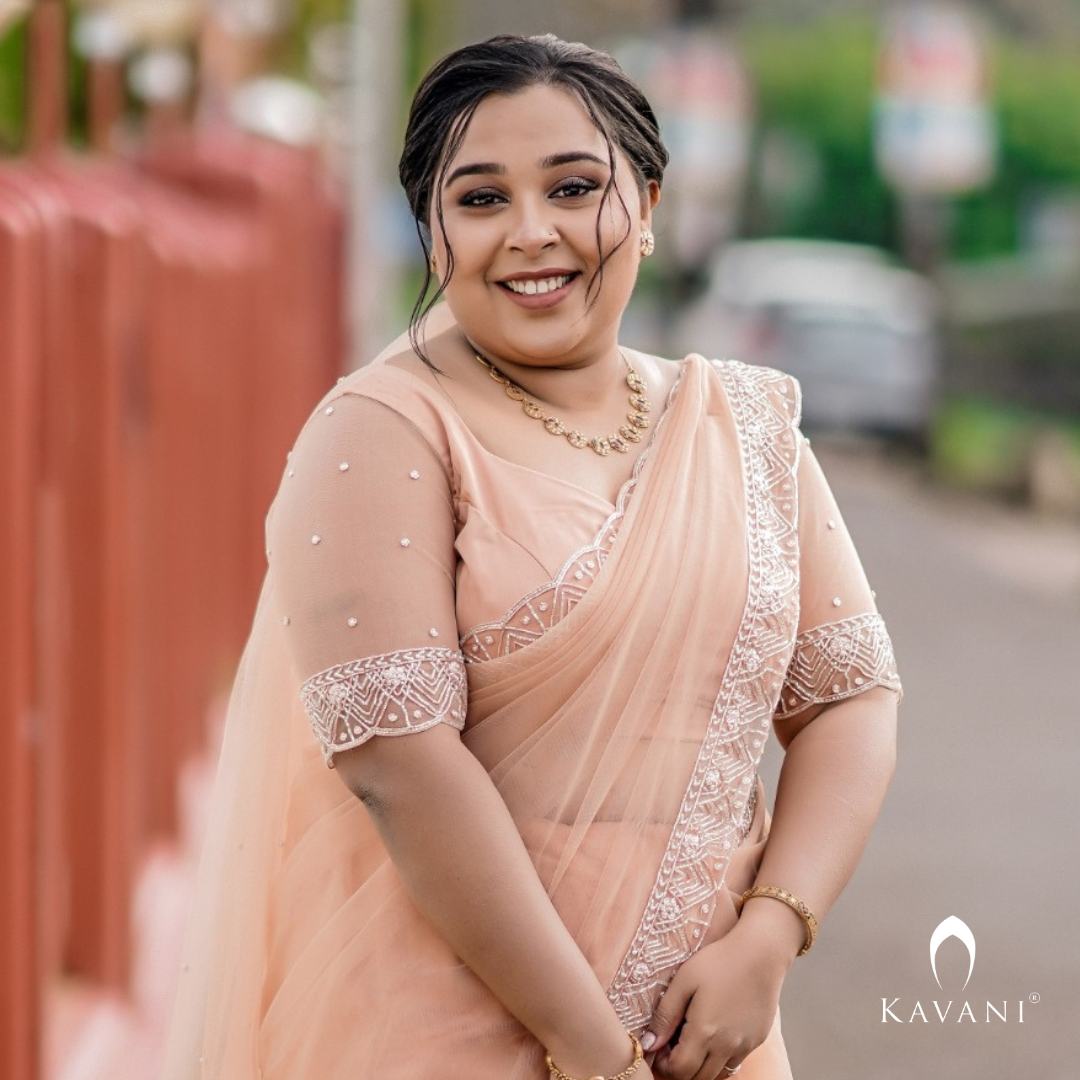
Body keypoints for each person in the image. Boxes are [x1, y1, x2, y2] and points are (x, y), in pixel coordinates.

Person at [162, 33, 901, 1080]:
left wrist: (771, 937)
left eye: (573, 186)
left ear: (645, 206)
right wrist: (588, 1045)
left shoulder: (745, 425)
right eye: (479, 199)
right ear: (431, 235)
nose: (531, 233)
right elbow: (400, 763)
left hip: (711, 1026)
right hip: (441, 1020)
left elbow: (849, 700)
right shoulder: (383, 429)